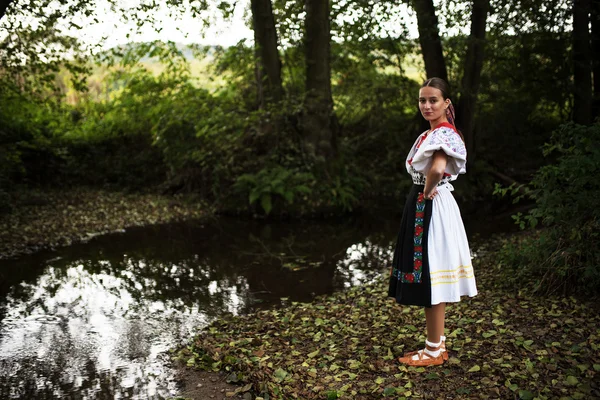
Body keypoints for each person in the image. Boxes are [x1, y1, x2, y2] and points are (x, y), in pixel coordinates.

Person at [388, 77, 477, 366]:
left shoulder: (442, 133)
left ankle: (434, 350)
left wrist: (426, 193)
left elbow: (438, 168)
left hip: (429, 206)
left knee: (429, 273)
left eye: (433, 100)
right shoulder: (433, 133)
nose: (426, 105)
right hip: (428, 204)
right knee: (431, 272)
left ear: (446, 103)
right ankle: (437, 343)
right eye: (422, 100)